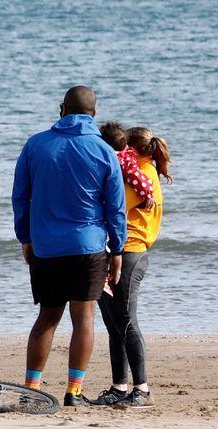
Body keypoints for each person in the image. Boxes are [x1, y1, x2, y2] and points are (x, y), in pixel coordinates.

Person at [12, 86, 126, 407]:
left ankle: (31, 392)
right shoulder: (103, 150)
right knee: (84, 319)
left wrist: (26, 238)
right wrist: (117, 249)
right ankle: (73, 393)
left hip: (46, 247)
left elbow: (20, 198)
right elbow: (114, 207)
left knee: (47, 318)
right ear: (94, 113)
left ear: (62, 109)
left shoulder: (36, 145)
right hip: (87, 246)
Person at [92, 127, 172, 409]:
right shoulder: (137, 174)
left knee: (126, 322)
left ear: (133, 151)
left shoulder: (143, 177)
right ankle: (119, 387)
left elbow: (114, 209)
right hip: (121, 252)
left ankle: (142, 389)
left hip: (130, 253)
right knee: (114, 325)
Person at [99, 121, 157, 209]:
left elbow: (136, 176)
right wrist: (148, 194)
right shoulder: (126, 157)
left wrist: (148, 194)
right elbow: (137, 175)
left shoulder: (121, 159)